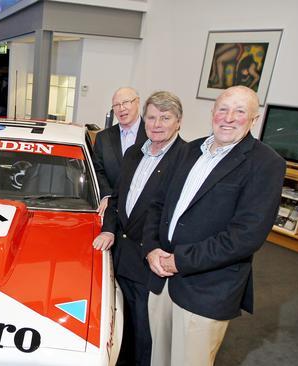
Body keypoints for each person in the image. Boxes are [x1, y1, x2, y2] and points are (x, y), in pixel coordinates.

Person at [143, 86, 285, 366]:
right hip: (161, 279)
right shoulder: (189, 150)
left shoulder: (266, 164)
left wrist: (179, 261)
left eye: (240, 111)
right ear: (213, 113)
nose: (229, 117)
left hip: (207, 290)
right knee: (158, 359)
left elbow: (246, 236)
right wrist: (152, 248)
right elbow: (157, 204)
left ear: (254, 120)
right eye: (223, 109)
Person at [93, 91, 186, 366]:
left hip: (150, 260)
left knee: (146, 334)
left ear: (178, 122)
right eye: (152, 117)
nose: (157, 124)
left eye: (165, 118)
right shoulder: (135, 153)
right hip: (120, 254)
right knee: (121, 325)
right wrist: (108, 229)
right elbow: (117, 198)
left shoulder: (185, 159)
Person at [93, 87, 147, 216]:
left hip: (142, 210)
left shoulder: (152, 135)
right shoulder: (103, 138)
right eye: (116, 105)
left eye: (126, 102)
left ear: (137, 102)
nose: (121, 108)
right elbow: (98, 170)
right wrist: (106, 195)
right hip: (109, 208)